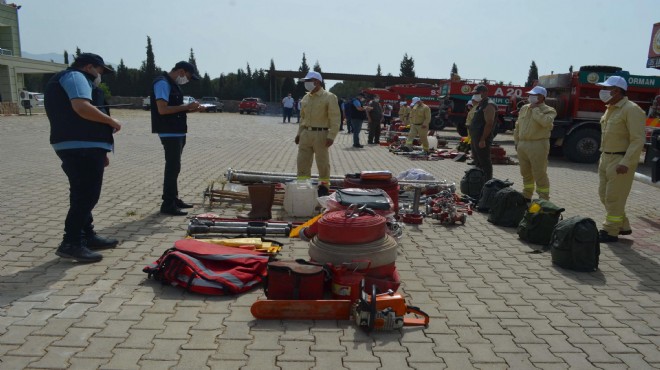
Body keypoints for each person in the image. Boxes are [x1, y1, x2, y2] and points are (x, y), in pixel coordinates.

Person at [44, 52, 122, 262]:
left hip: (84, 146)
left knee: (81, 192)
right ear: (89, 67)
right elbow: (81, 107)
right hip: (79, 145)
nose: (100, 76)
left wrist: (102, 151)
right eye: (99, 71)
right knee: (87, 195)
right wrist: (111, 121)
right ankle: (71, 243)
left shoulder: (73, 78)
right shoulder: (75, 77)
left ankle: (86, 235)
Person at [595, 76, 646, 243]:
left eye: (606, 88)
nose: (602, 92)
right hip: (606, 157)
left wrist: (626, 162)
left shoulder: (632, 110)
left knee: (614, 197)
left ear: (616, 91)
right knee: (604, 195)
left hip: (620, 159)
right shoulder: (610, 108)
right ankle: (623, 225)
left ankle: (610, 231)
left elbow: (637, 140)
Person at [151, 61, 202, 216]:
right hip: (169, 132)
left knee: (175, 167)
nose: (187, 80)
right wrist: (187, 107)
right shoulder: (162, 83)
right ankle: (167, 204)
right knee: (172, 168)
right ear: (181, 71)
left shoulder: (173, 84)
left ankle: (174, 198)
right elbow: (163, 109)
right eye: (188, 76)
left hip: (178, 131)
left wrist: (193, 109)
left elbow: (176, 110)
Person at [295, 71, 341, 196]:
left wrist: (331, 136)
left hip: (321, 134)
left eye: (308, 81)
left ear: (317, 82)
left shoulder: (329, 97)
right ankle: (302, 188)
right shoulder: (306, 97)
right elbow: (302, 118)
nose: (306, 84)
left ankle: (324, 189)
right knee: (302, 162)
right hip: (306, 134)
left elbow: (335, 119)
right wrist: (299, 134)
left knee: (322, 163)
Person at [513, 86, 557, 201]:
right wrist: (517, 142)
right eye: (530, 95)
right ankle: (526, 195)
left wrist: (536, 110)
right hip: (523, 145)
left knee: (539, 173)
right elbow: (517, 126)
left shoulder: (549, 110)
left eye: (534, 95)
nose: (530, 97)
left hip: (538, 144)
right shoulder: (524, 108)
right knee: (525, 172)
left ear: (542, 97)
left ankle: (543, 199)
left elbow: (545, 122)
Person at [468, 84, 497, 180]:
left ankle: (487, 182)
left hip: (482, 138)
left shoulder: (489, 105)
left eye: (477, 93)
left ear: (484, 92)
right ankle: (479, 181)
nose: (475, 95)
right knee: (477, 161)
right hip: (476, 137)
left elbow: (489, 123)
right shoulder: (480, 104)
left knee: (484, 161)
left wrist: (483, 139)